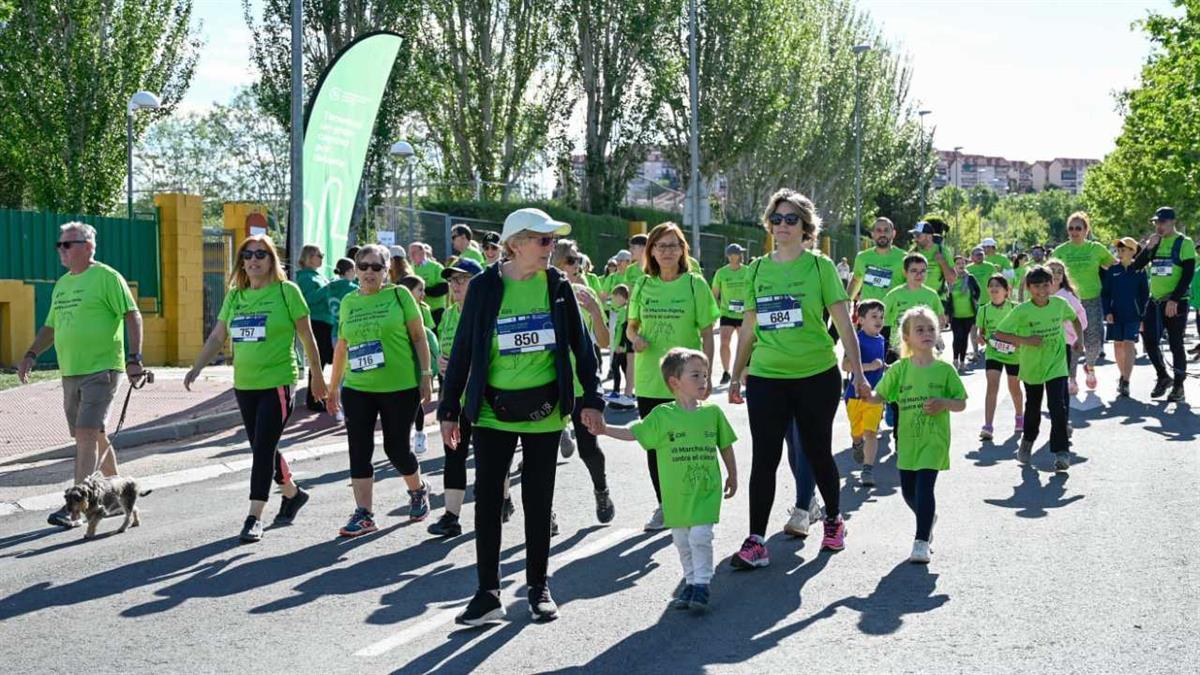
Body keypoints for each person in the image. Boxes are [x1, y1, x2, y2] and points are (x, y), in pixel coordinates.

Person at [439, 207, 605, 626]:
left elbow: (584, 349)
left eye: (552, 241)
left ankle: (537, 589)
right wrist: (449, 408)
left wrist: (592, 399)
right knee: (489, 501)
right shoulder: (483, 287)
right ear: (515, 244)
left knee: (537, 500)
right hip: (493, 410)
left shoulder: (558, 286)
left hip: (545, 412)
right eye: (543, 240)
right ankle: (487, 594)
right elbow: (462, 350)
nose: (551, 248)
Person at [727, 188, 869, 565]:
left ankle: (834, 521)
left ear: (806, 227)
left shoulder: (819, 267)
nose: (783, 226)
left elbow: (843, 322)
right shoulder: (757, 269)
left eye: (791, 219)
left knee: (816, 450)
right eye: (776, 219)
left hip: (815, 374)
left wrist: (857, 372)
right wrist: (735, 374)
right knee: (765, 457)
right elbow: (748, 328)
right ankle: (756, 540)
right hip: (767, 375)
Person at [185, 235, 328, 542]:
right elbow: (216, 336)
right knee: (263, 446)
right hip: (245, 385)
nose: (253, 259)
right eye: (247, 255)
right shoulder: (236, 296)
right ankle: (292, 493)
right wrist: (197, 366)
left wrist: (317, 376)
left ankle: (254, 516)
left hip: (277, 381)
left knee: (262, 449)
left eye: (261, 254)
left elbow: (307, 337)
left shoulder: (287, 291)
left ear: (271, 259)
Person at [17, 222, 145, 528]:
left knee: (87, 433)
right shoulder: (62, 284)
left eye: (67, 245)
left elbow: (132, 314)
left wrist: (134, 358)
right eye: (59, 245)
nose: (61, 250)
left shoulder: (106, 277)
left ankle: (76, 507)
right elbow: (51, 327)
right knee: (90, 434)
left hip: (102, 369)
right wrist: (32, 353)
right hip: (71, 370)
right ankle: (115, 493)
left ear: (88, 246)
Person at [600, 348, 737, 612]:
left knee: (700, 535)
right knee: (682, 540)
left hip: (705, 490)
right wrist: (605, 429)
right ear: (675, 382)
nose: (703, 381)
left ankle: (702, 584)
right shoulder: (663, 416)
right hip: (676, 493)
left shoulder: (712, 414)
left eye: (706, 375)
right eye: (695, 375)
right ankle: (690, 581)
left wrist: (732, 474)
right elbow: (634, 433)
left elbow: (726, 446)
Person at [324, 246, 434, 537]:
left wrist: (426, 375)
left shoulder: (399, 296)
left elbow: (419, 337)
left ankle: (418, 489)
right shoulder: (349, 301)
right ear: (356, 269)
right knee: (359, 450)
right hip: (358, 388)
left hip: (400, 387)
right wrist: (333, 386)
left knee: (396, 449)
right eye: (363, 266)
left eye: (376, 267)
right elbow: (343, 346)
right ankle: (364, 514)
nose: (369, 272)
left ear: (387, 271)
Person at [626, 222, 720, 531]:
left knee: (688, 445)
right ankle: (665, 505)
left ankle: (691, 502)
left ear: (682, 250)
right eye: (660, 246)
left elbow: (707, 333)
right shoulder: (641, 285)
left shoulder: (695, 285)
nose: (667, 251)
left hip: (686, 379)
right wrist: (634, 338)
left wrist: (707, 375)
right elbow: (631, 326)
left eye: (673, 245)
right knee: (656, 445)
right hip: (651, 378)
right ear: (651, 251)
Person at [862, 306, 967, 564]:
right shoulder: (899, 369)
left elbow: (961, 402)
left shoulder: (944, 370)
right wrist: (867, 392)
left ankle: (921, 542)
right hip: (907, 440)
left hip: (934, 440)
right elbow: (880, 396)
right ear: (906, 337)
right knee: (908, 491)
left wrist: (943, 402)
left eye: (931, 328)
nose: (927, 333)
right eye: (919, 329)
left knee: (924, 488)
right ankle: (927, 518)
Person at [427, 257, 511, 537]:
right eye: (452, 280)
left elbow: (496, 353)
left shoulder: (490, 310)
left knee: (491, 458)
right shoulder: (450, 314)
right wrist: (442, 363)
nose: (456, 285)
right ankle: (451, 516)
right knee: (454, 454)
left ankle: (505, 497)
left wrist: (463, 366)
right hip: (456, 397)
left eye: (462, 279)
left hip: (485, 396)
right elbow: (447, 349)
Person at [551, 238, 616, 523]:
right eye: (570, 260)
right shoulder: (539, 291)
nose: (576, 266)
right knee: (539, 456)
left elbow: (604, 341)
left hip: (580, 384)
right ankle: (545, 512)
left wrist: (593, 313)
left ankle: (601, 490)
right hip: (546, 384)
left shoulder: (584, 292)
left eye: (578, 260)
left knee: (588, 448)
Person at [995, 265, 1083, 471]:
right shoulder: (1022, 311)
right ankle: (1027, 440)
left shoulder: (1060, 304)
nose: (1042, 290)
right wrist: (1025, 339)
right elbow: (999, 334)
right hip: (1032, 366)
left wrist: (1080, 339)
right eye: (1036, 286)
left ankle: (1062, 452)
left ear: (1052, 284)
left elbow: (1075, 319)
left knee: (1057, 406)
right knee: (1033, 407)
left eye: (1046, 285)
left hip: (1056, 364)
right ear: (1028, 287)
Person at [1131, 206, 1195, 402]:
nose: (1159, 226)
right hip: (1155, 301)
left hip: (1176, 301)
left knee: (1176, 344)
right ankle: (1163, 377)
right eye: (1156, 222)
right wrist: (1149, 248)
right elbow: (1136, 266)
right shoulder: (1156, 242)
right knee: (1149, 341)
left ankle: (1178, 386)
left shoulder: (1184, 242)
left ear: (1172, 222)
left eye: (1163, 222)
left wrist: (1174, 299)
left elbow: (1188, 274)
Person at [883, 254, 947, 439]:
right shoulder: (895, 295)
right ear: (905, 272)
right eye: (914, 271)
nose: (919, 275)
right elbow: (884, 323)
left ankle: (922, 431)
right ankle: (899, 435)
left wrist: (936, 337)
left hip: (925, 354)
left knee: (922, 393)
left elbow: (940, 319)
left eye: (922, 271)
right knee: (900, 394)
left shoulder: (931, 295)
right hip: (899, 351)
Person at [1052, 212, 1115, 391]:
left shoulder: (1096, 249)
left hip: (1092, 301)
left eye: (1078, 228)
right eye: (1071, 228)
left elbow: (1116, 266)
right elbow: (1049, 274)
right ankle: (1071, 378)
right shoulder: (1060, 251)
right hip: (1068, 302)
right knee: (1072, 341)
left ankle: (1090, 366)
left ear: (1086, 230)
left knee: (1093, 342)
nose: (1074, 232)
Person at [843, 299, 887, 488]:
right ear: (861, 320)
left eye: (881, 317)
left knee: (871, 432)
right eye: (874, 316)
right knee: (857, 432)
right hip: (854, 395)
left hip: (875, 396)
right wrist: (871, 366)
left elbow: (879, 365)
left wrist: (885, 368)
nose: (879, 320)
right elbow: (845, 365)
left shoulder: (881, 339)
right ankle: (856, 444)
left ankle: (867, 469)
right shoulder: (856, 339)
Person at [975, 275, 1024, 440]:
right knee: (992, 386)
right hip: (993, 353)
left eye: (998, 286)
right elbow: (980, 333)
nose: (994, 288)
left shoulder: (1016, 308)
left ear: (1006, 291)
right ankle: (988, 426)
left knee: (1014, 387)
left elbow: (1025, 328)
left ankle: (1019, 417)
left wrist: (1019, 342)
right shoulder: (984, 309)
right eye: (991, 286)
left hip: (1013, 354)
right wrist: (980, 338)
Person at [1102, 238, 1149, 397]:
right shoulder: (1112, 270)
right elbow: (1105, 294)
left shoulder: (1140, 271)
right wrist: (1107, 311)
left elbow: (1144, 295)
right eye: (1118, 250)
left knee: (1129, 344)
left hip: (1133, 315)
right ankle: (1122, 376)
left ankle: (1126, 381)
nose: (1120, 252)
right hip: (1115, 315)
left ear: (1132, 251)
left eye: (1123, 249)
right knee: (1118, 346)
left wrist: (1143, 317)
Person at [398, 274, 439, 456]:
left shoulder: (424, 309)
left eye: (423, 289)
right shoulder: (396, 309)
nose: (423, 293)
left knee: (417, 401)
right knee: (402, 403)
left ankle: (420, 433)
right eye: (419, 290)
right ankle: (403, 438)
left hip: (419, 361)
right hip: (402, 361)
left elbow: (429, 335)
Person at [847, 218, 908, 331]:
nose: (882, 234)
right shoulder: (862, 257)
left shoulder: (904, 258)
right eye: (878, 230)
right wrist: (846, 302)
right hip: (867, 321)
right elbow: (855, 280)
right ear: (872, 234)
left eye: (886, 230)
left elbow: (911, 287)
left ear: (893, 233)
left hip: (893, 321)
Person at [296, 244, 334, 412]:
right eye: (320, 255)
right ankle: (314, 399)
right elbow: (308, 300)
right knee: (319, 360)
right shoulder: (304, 278)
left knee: (324, 359)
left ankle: (319, 396)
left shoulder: (317, 275)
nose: (322, 258)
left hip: (326, 321)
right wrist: (328, 288)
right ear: (310, 257)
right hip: (316, 322)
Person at [711, 243, 751, 385]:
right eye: (737, 253)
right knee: (724, 342)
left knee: (744, 344)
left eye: (740, 253)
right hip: (727, 313)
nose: (740, 256)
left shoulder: (748, 271)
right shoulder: (721, 273)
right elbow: (714, 294)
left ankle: (741, 370)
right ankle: (726, 371)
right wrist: (713, 314)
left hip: (744, 314)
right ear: (729, 256)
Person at [1047, 259, 1088, 395]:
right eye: (1052, 271)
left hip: (1064, 341)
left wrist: (1072, 333)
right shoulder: (1040, 295)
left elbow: (1081, 317)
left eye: (1060, 272)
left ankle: (1061, 404)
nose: (1056, 274)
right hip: (1044, 342)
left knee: (1060, 376)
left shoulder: (1067, 296)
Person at [604, 284, 636, 408]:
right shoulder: (621, 309)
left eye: (615, 297)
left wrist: (621, 345)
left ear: (621, 297)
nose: (613, 300)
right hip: (618, 345)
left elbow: (623, 329)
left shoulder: (624, 311)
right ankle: (628, 392)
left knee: (615, 367)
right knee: (624, 369)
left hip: (621, 347)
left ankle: (617, 392)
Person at [948, 255, 982, 371]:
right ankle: (955, 359)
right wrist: (946, 313)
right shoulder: (951, 278)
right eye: (958, 263)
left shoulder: (970, 278)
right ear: (954, 266)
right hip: (955, 315)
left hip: (969, 314)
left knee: (964, 338)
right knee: (957, 337)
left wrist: (974, 299)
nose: (961, 265)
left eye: (963, 263)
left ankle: (962, 362)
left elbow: (978, 291)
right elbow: (947, 296)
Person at [909, 220, 956, 301]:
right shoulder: (913, 252)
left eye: (918, 235)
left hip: (938, 300)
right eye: (914, 235)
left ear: (929, 236)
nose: (915, 239)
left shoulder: (943, 251)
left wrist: (942, 262)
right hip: (917, 299)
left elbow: (952, 279)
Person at [409, 242, 447, 327]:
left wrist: (423, 291)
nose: (411, 256)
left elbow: (444, 288)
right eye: (410, 253)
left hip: (436, 311)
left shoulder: (436, 267)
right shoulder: (411, 269)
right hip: (419, 311)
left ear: (422, 253)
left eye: (413, 253)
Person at [327, 258, 359, 343]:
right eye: (354, 270)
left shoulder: (330, 287)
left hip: (335, 332)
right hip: (351, 332)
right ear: (349, 271)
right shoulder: (354, 288)